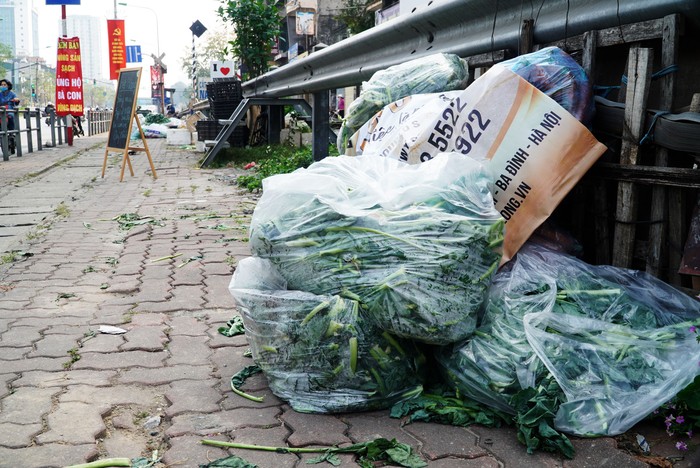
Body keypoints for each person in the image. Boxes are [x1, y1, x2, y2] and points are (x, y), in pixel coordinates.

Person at [0, 79, 21, 154]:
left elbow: (17, 100)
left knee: (11, 116)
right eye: (2, 85)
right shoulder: (0, 94)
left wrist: (16, 99)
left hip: (9, 110)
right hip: (1, 111)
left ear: (8, 86)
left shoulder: (12, 94)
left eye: (4, 85)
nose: (3, 86)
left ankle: (12, 132)